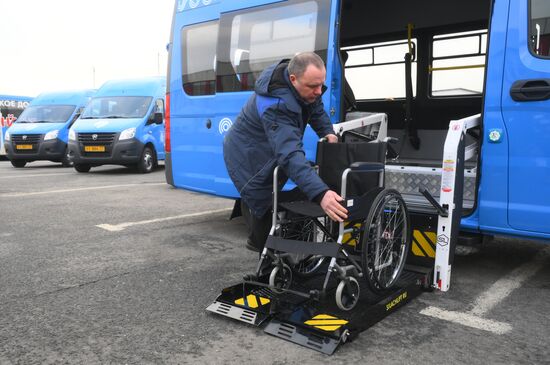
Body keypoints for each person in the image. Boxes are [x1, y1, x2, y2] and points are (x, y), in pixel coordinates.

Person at [223, 52, 348, 252]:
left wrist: (328, 132)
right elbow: (290, 155)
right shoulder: (276, 105)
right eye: (313, 86)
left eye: (320, 85)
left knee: (274, 198)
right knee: (261, 203)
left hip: (265, 147)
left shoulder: (305, 86)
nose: (318, 91)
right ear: (293, 79)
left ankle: (275, 257)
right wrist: (321, 194)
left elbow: (315, 108)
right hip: (247, 155)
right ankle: (264, 255)